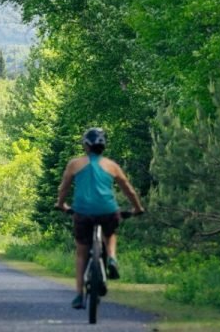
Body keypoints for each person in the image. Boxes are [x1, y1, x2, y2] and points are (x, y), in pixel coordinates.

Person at [54, 127, 145, 309]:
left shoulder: (74, 164)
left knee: (81, 253)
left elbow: (63, 188)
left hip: (82, 212)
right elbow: (129, 189)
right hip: (107, 211)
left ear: (86, 146)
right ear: (103, 146)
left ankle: (79, 295)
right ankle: (111, 257)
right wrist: (137, 208)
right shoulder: (111, 166)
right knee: (110, 234)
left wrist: (61, 204)